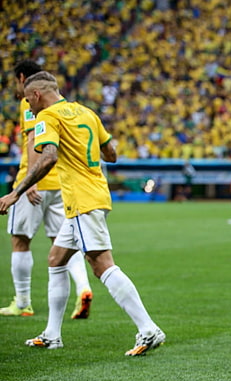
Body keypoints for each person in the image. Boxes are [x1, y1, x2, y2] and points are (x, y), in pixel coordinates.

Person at [0, 71, 165, 355]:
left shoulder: (47, 117)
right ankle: (52, 334)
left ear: (37, 95)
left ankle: (148, 329)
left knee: (102, 265)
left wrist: (17, 191)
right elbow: (110, 153)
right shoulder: (86, 112)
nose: (28, 106)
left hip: (81, 200)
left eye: (28, 100)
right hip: (93, 194)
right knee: (55, 259)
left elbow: (48, 156)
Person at [1, 60, 93, 319]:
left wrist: (31, 183)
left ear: (22, 78)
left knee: (20, 240)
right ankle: (83, 288)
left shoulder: (31, 104)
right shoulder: (65, 107)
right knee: (63, 242)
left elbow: (33, 139)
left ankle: (22, 302)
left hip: (35, 181)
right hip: (61, 184)